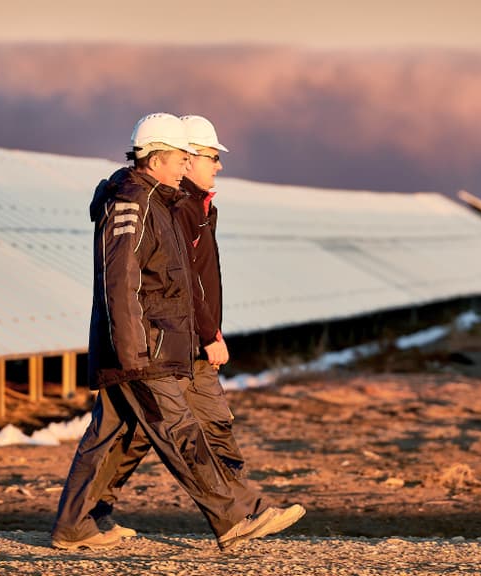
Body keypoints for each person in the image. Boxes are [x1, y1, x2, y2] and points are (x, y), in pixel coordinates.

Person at [50, 113, 303, 551]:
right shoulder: (132, 202)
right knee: (180, 432)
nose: (189, 163)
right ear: (157, 157)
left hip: (155, 345)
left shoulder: (158, 201)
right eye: (182, 156)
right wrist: (132, 354)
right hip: (143, 350)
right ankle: (233, 517)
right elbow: (120, 280)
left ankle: (76, 524)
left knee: (109, 437)